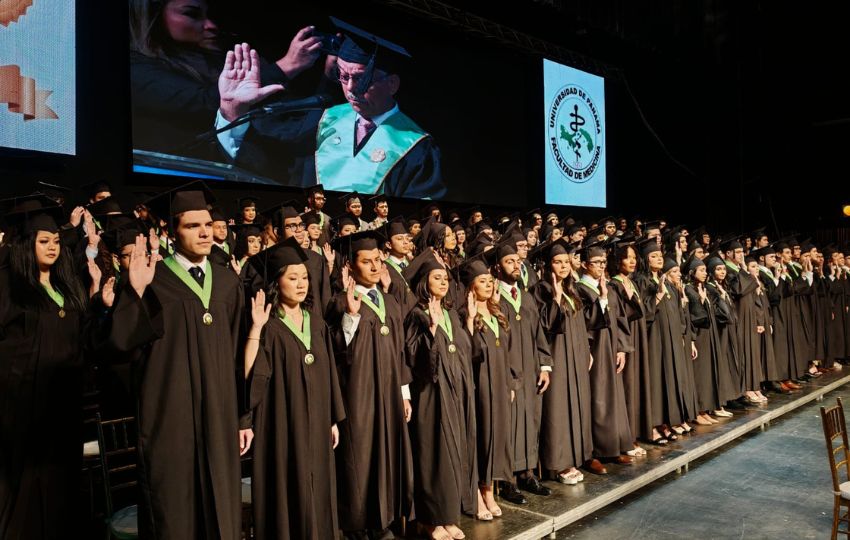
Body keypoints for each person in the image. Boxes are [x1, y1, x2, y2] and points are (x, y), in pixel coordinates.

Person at [105, 181, 250, 539]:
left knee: (222, 506)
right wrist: (135, 291)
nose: (203, 232)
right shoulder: (154, 279)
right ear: (171, 230)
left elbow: (238, 354)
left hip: (218, 415)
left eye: (207, 224)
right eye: (191, 225)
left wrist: (243, 416)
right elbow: (120, 344)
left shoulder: (229, 283)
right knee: (174, 508)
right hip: (170, 416)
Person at [218, 19, 447, 198]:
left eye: (361, 79)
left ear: (392, 84)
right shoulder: (322, 120)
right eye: (342, 75)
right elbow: (262, 162)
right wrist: (231, 110)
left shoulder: (417, 146)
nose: (350, 89)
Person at [0, 197, 92, 539]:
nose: (53, 247)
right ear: (26, 245)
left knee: (60, 487)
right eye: (44, 241)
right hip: (21, 409)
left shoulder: (67, 288)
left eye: (56, 240)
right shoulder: (9, 288)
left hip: (63, 406)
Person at [243, 237, 346, 540]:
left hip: (317, 422)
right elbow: (253, 376)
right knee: (289, 487)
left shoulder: (315, 321)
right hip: (283, 424)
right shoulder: (270, 325)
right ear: (276, 282)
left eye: (304, 277)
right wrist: (255, 328)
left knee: (320, 487)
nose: (302, 284)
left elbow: (329, 373)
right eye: (293, 278)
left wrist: (332, 418)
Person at [129, 0, 321, 157]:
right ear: (153, 15)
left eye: (209, 15)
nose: (211, 26)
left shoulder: (218, 57)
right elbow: (201, 103)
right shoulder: (136, 66)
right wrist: (287, 66)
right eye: (191, 14)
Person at [325, 230, 413, 540]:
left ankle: (383, 519)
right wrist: (351, 315)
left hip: (389, 394)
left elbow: (400, 350)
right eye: (367, 262)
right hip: (357, 395)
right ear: (350, 267)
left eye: (378, 260)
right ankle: (357, 525)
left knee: (386, 454)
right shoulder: (338, 303)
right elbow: (336, 351)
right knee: (358, 457)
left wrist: (404, 392)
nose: (375, 267)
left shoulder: (390, 302)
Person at [403, 250, 477, 540]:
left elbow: (465, 353)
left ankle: (448, 515)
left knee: (454, 452)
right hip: (430, 396)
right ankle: (430, 520)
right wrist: (431, 331)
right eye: (437, 277)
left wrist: (469, 321)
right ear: (424, 281)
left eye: (445, 278)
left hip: (455, 393)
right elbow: (413, 360)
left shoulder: (449, 313)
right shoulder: (416, 316)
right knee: (433, 455)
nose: (444, 282)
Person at [490, 242, 553, 500]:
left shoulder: (526, 297)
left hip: (531, 371)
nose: (516, 266)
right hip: (509, 373)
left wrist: (545, 366)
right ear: (497, 267)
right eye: (509, 262)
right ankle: (508, 480)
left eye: (518, 261)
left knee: (530, 420)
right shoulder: (494, 299)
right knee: (511, 424)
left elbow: (539, 334)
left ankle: (527, 473)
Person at [531, 238, 597, 483]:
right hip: (557, 356)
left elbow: (581, 325)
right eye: (557, 263)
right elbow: (544, 326)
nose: (563, 267)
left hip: (576, 356)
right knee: (558, 408)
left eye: (566, 262)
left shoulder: (573, 290)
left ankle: (575, 455)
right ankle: (558, 464)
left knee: (577, 404)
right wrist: (555, 299)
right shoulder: (541, 290)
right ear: (548, 266)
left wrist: (587, 349)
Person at [457, 259, 516, 520]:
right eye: (482, 281)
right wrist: (470, 320)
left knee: (497, 436)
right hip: (478, 385)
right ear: (471, 287)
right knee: (480, 436)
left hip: (500, 384)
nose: (489, 284)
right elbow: (465, 353)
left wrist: (511, 384)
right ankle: (477, 494)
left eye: (490, 280)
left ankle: (489, 489)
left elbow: (509, 351)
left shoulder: (497, 311)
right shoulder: (463, 315)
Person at [575, 244, 636, 465]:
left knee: (613, 398)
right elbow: (585, 323)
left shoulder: (608, 286)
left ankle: (612, 446)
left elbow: (620, 318)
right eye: (596, 263)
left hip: (610, 349)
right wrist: (600, 298)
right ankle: (594, 453)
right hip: (595, 350)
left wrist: (621, 347)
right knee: (597, 399)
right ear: (584, 265)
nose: (601, 266)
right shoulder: (579, 289)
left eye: (603, 262)